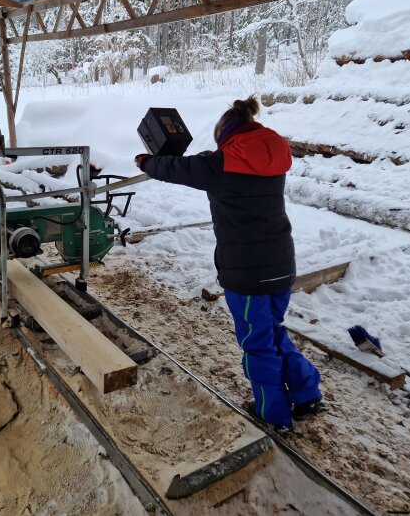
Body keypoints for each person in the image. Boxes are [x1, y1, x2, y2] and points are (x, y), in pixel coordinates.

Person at [135, 96, 324, 432]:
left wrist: (147, 162)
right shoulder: (270, 153)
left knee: (257, 344)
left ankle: (273, 413)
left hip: (247, 272)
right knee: (272, 330)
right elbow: (208, 164)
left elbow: (177, 168)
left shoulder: (220, 165)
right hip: (282, 264)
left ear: (227, 133)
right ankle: (306, 391)